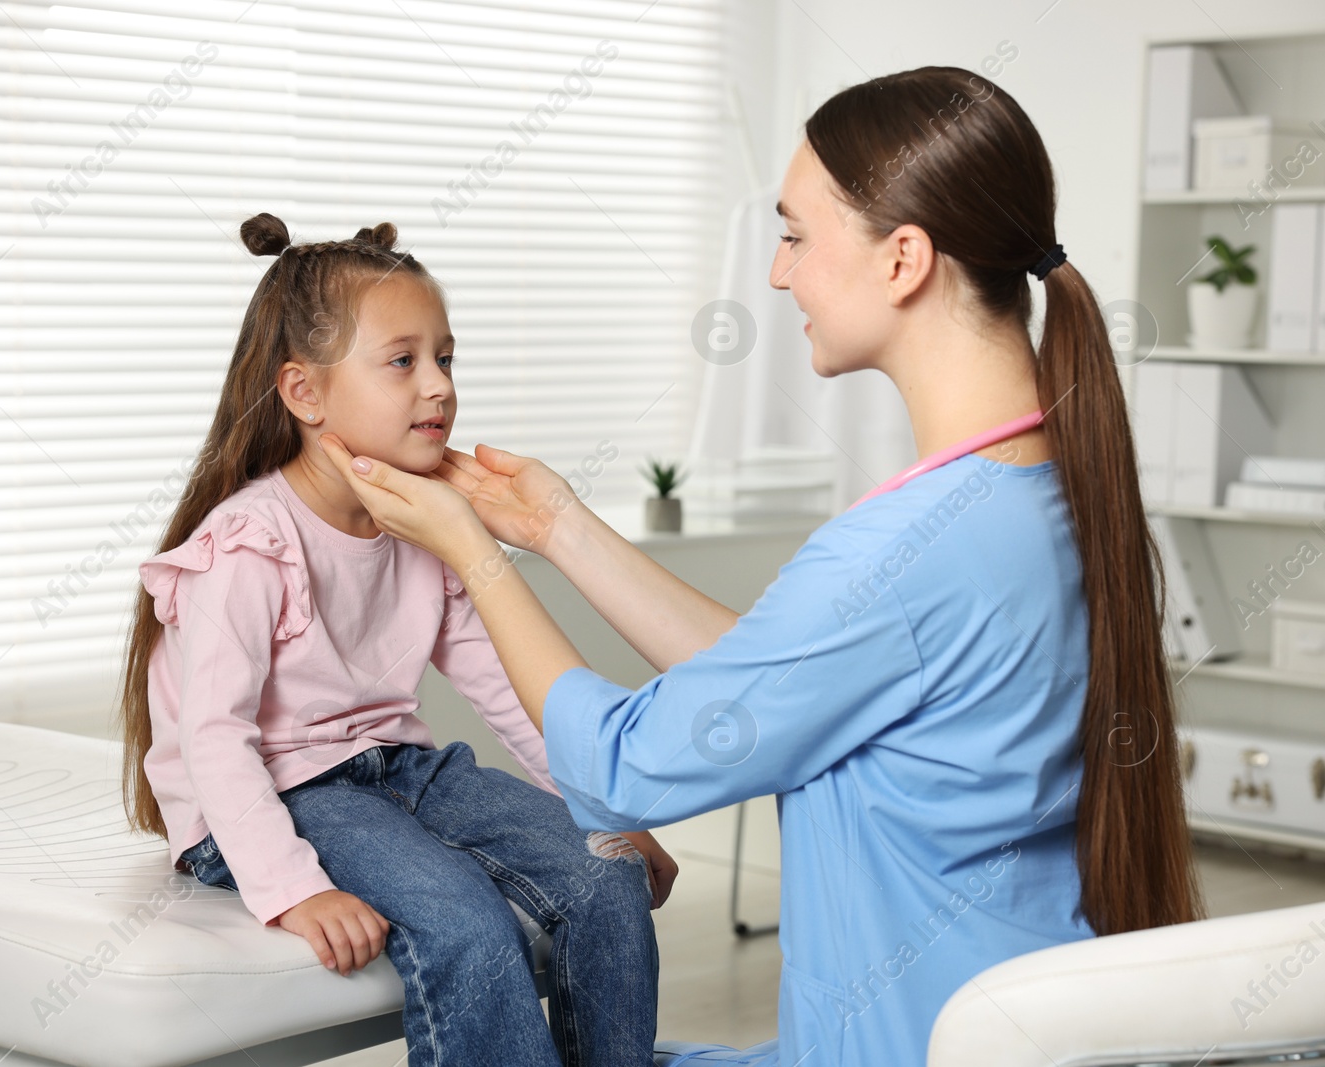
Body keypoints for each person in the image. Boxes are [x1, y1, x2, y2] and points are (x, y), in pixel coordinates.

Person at [313, 66, 1205, 1066]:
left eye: (793, 236)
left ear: (903, 257)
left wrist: (472, 552)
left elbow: (619, 768)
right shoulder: (1039, 495)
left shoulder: (909, 550)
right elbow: (785, 678)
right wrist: (558, 527)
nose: (780, 275)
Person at [117, 212, 676, 1067]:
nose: (440, 386)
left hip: (397, 769)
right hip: (281, 786)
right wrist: (291, 888)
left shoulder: (421, 525)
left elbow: (505, 686)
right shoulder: (249, 545)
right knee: (463, 917)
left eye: (445, 357)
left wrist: (606, 812)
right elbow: (214, 738)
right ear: (303, 393)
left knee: (606, 873)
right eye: (403, 361)